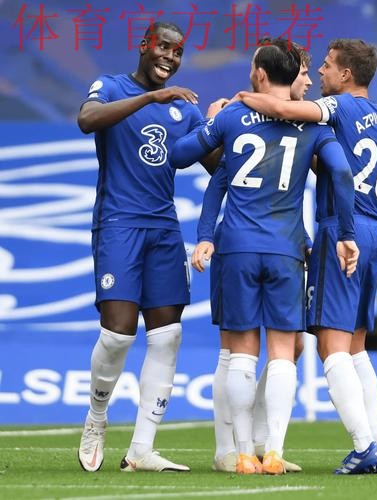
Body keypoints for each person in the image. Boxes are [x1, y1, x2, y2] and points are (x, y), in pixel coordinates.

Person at [171, 38, 359, 475]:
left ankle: (241, 454)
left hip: (237, 247)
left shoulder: (233, 116)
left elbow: (181, 156)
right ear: (291, 77)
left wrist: (210, 123)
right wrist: (347, 233)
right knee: (282, 352)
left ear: (259, 74)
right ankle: (272, 451)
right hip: (285, 250)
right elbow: (341, 171)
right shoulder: (314, 125)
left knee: (240, 354)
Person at [238, 39, 377, 474]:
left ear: (346, 75)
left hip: (342, 227)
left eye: (326, 66)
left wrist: (244, 99)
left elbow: (283, 109)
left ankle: (365, 446)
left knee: (330, 346)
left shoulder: (338, 107)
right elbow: (327, 162)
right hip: (374, 231)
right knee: (357, 346)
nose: (320, 73)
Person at [76, 21, 218, 473]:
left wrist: (222, 124)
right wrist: (150, 99)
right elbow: (86, 120)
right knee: (118, 333)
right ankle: (97, 417)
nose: (170, 58)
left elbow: (217, 165)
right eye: (163, 48)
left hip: (163, 230)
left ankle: (141, 449)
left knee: (167, 336)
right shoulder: (111, 86)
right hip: (119, 224)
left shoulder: (184, 109)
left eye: (177, 52)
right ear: (144, 46)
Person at [191, 43, 313, 474]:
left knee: (278, 348)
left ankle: (256, 447)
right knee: (238, 351)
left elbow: (274, 186)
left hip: (265, 243)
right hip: (254, 243)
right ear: (282, 75)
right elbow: (223, 177)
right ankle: (231, 449)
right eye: (304, 74)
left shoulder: (295, 121)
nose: (309, 82)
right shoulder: (305, 122)